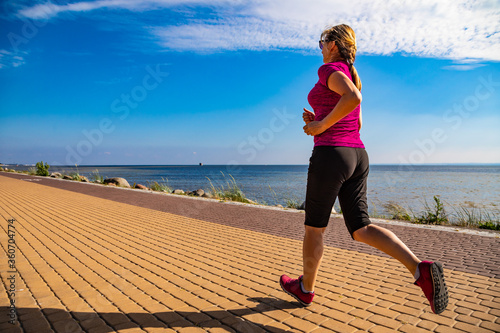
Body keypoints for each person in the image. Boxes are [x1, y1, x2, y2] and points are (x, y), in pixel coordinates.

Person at [279, 24, 449, 315]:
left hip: (331, 155)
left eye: (322, 41)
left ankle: (305, 289)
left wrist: (320, 126)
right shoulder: (353, 74)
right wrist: (320, 116)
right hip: (357, 155)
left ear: (333, 44)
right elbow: (354, 119)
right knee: (361, 228)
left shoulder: (330, 70)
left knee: (314, 229)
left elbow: (352, 101)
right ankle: (419, 269)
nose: (320, 47)